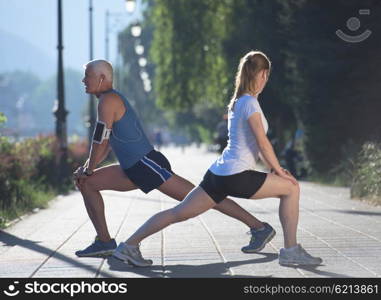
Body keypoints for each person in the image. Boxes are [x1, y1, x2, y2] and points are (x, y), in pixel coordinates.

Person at [113, 51, 323, 267]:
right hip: (237, 175)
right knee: (291, 189)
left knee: (179, 212)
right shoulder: (250, 103)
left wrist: (272, 168)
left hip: (218, 174)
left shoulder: (238, 102)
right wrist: (279, 170)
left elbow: (254, 144)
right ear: (263, 74)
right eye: (266, 76)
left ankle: (128, 246)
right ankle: (290, 251)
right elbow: (262, 142)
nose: (265, 80)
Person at [73, 59, 275, 257]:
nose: (83, 80)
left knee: (205, 197)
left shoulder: (109, 100)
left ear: (101, 78)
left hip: (146, 165)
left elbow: (100, 141)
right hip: (131, 168)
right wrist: (87, 169)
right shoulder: (106, 100)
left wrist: (88, 168)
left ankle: (258, 227)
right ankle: (104, 241)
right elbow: (105, 143)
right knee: (87, 183)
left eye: (87, 76)